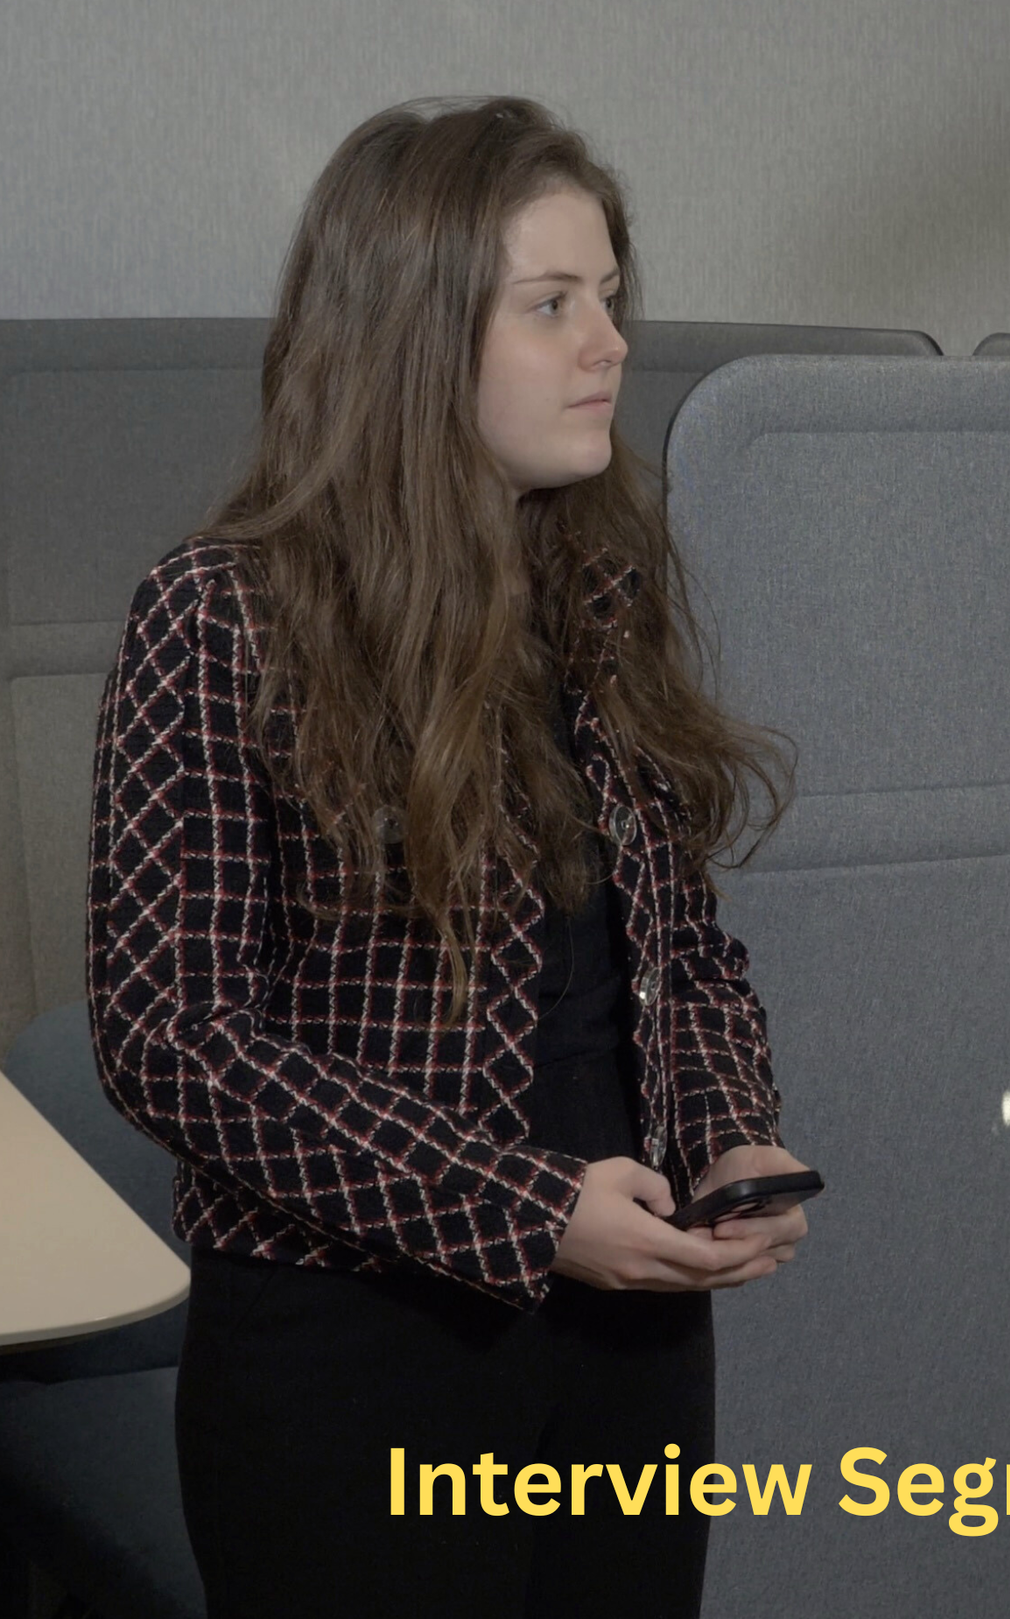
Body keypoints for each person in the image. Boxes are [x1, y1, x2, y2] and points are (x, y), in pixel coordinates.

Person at [86, 96, 812, 1619]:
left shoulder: (602, 589)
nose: (608, 341)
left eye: (610, 297)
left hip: (630, 1339)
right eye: (553, 305)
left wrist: (735, 1135)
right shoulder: (220, 614)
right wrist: (523, 1201)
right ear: (415, 336)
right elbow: (172, 1038)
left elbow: (679, 950)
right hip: (351, 1360)